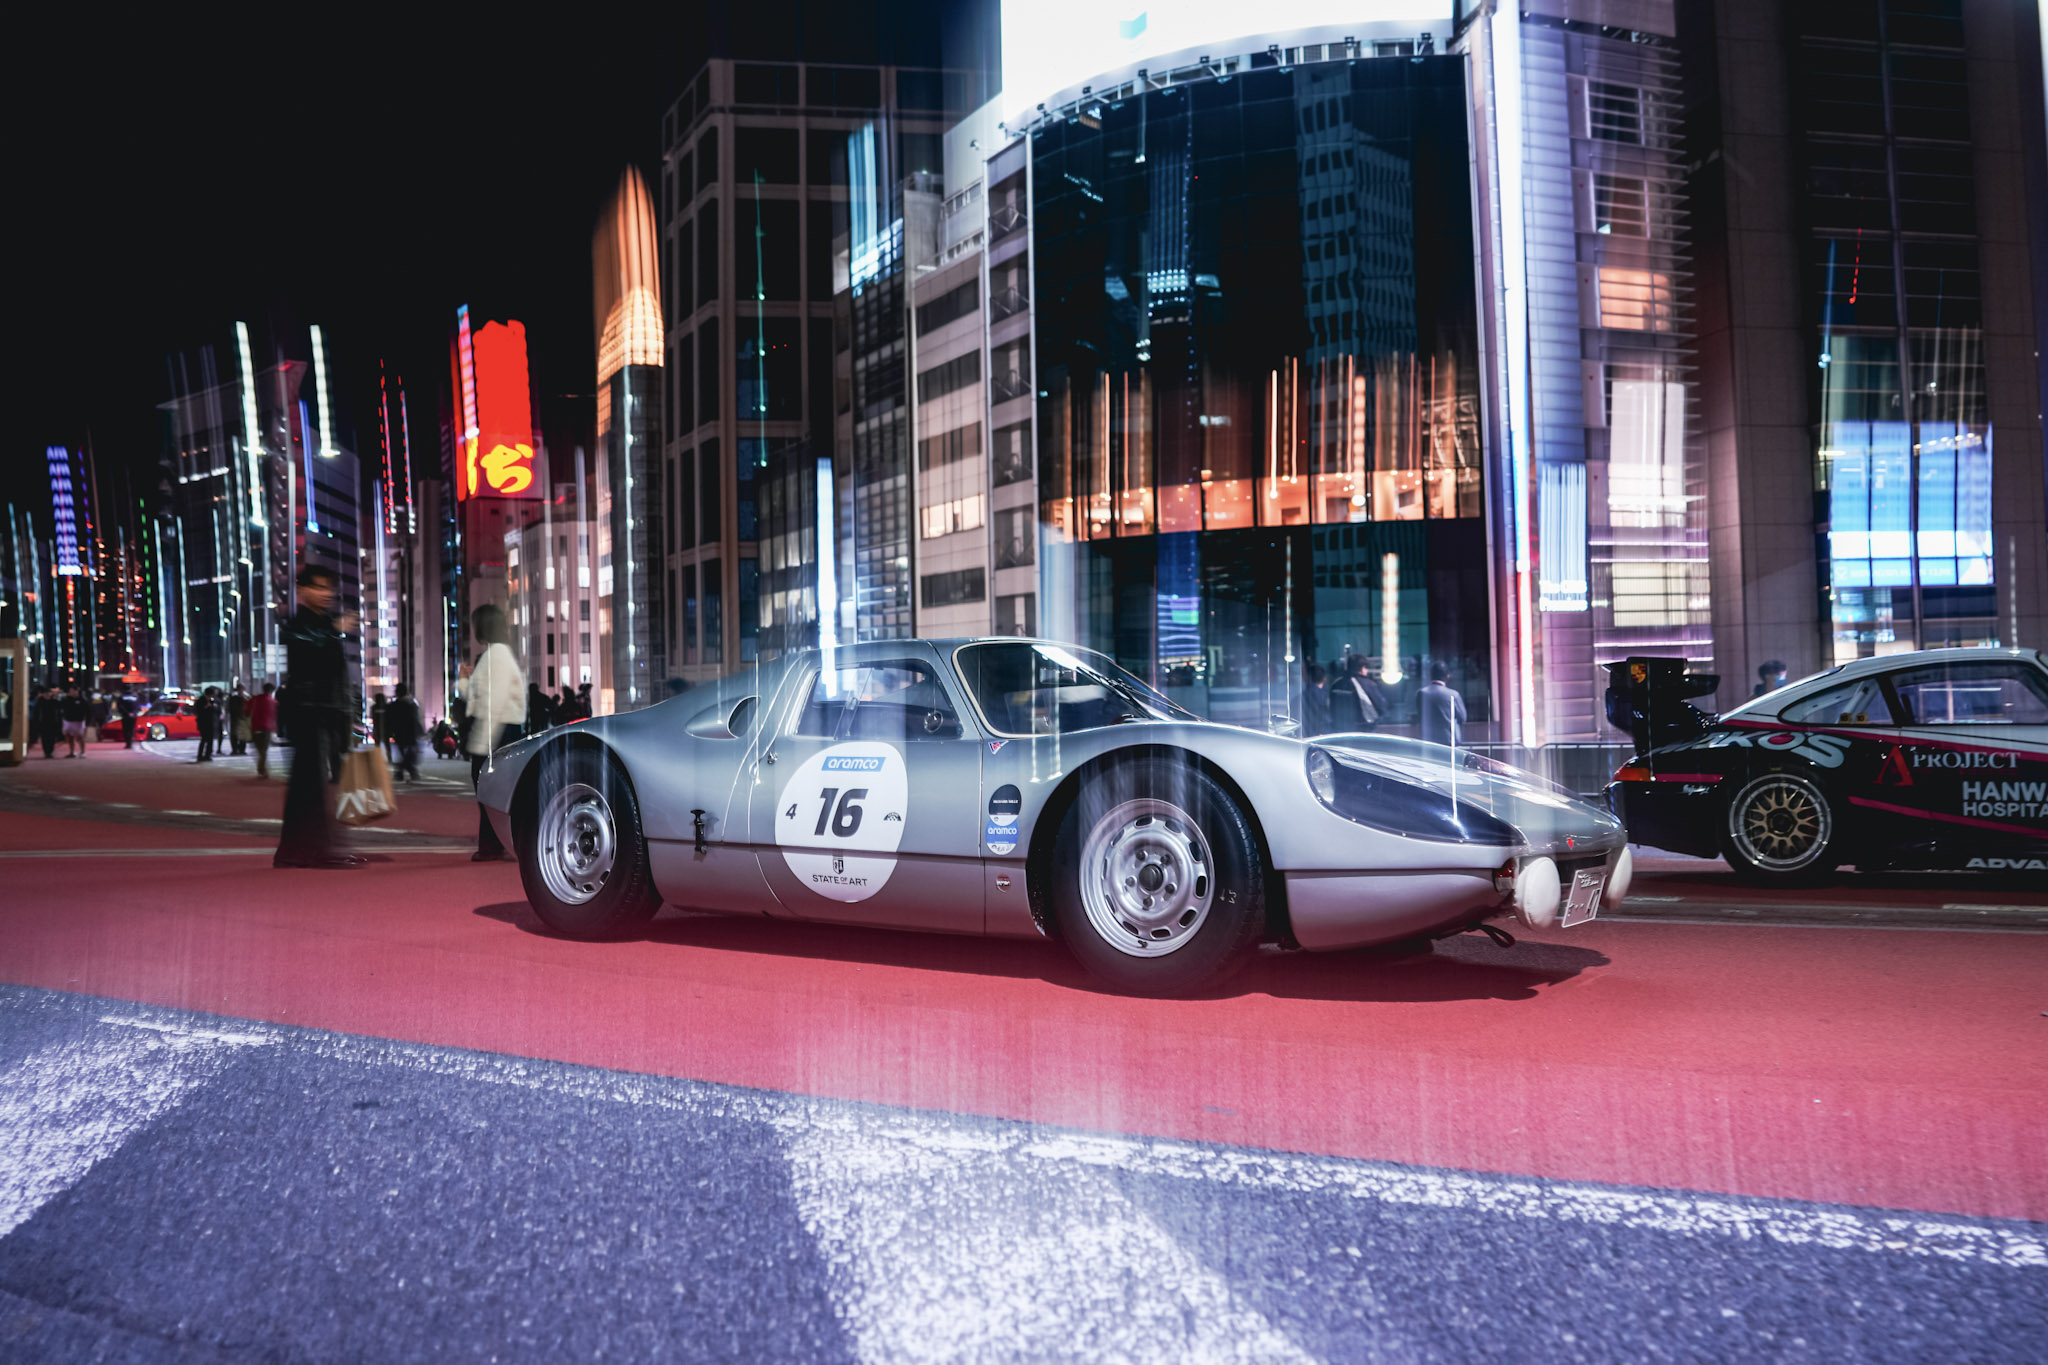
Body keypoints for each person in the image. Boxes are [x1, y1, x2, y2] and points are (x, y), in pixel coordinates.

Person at [276, 565, 360, 869]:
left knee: (311, 785)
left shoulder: (323, 623)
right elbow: (307, 645)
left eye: (330, 588)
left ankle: (300, 849)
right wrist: (335, 630)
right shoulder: (301, 623)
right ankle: (308, 850)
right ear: (302, 591)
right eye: (320, 588)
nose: (327, 594)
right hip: (307, 713)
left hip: (324, 712)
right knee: (308, 784)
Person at [458, 604, 527, 862]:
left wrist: (481, 741)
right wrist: (465, 680)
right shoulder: (496, 653)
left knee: (490, 791)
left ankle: (494, 845)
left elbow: (493, 704)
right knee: (492, 791)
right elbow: (478, 698)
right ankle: (494, 844)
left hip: (497, 732)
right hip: (501, 729)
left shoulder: (496, 655)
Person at [1417, 661, 1468, 749]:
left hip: (1428, 742)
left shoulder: (1422, 693)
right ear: (1447, 676)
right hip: (1449, 741)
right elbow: (1463, 717)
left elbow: (1420, 716)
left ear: (1430, 675)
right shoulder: (1453, 694)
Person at [387, 681, 423, 782]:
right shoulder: (411, 705)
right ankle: (406, 771)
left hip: (399, 733)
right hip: (410, 733)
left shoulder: (393, 706)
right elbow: (415, 720)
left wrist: (390, 732)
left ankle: (401, 772)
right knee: (407, 754)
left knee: (403, 753)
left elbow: (390, 720)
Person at [248, 682, 279, 778]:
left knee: (259, 750)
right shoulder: (274, 702)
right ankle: (262, 770)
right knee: (263, 750)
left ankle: (262, 769)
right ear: (272, 691)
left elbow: (246, 710)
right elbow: (276, 716)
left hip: (255, 727)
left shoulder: (255, 699)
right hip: (266, 728)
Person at [61, 686, 89, 757]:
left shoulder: (82, 700)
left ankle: (82, 752)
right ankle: (72, 752)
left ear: (77, 691)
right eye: (70, 691)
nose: (71, 692)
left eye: (73, 691)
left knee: (80, 737)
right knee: (70, 737)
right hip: (68, 720)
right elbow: (61, 707)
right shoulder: (66, 699)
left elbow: (88, 710)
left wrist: (87, 721)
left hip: (78, 721)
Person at [194, 687, 221, 762]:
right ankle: (200, 755)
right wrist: (206, 707)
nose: (210, 697)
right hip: (203, 724)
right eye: (208, 696)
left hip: (212, 723)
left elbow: (218, 710)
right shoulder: (200, 701)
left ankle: (208, 755)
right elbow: (198, 711)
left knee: (210, 740)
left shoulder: (214, 701)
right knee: (204, 739)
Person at [370, 692, 390, 763]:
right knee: (386, 744)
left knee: (377, 744)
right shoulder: (387, 707)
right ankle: (389, 758)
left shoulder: (373, 707)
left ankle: (377, 759)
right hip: (385, 729)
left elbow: (373, 717)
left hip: (377, 728)